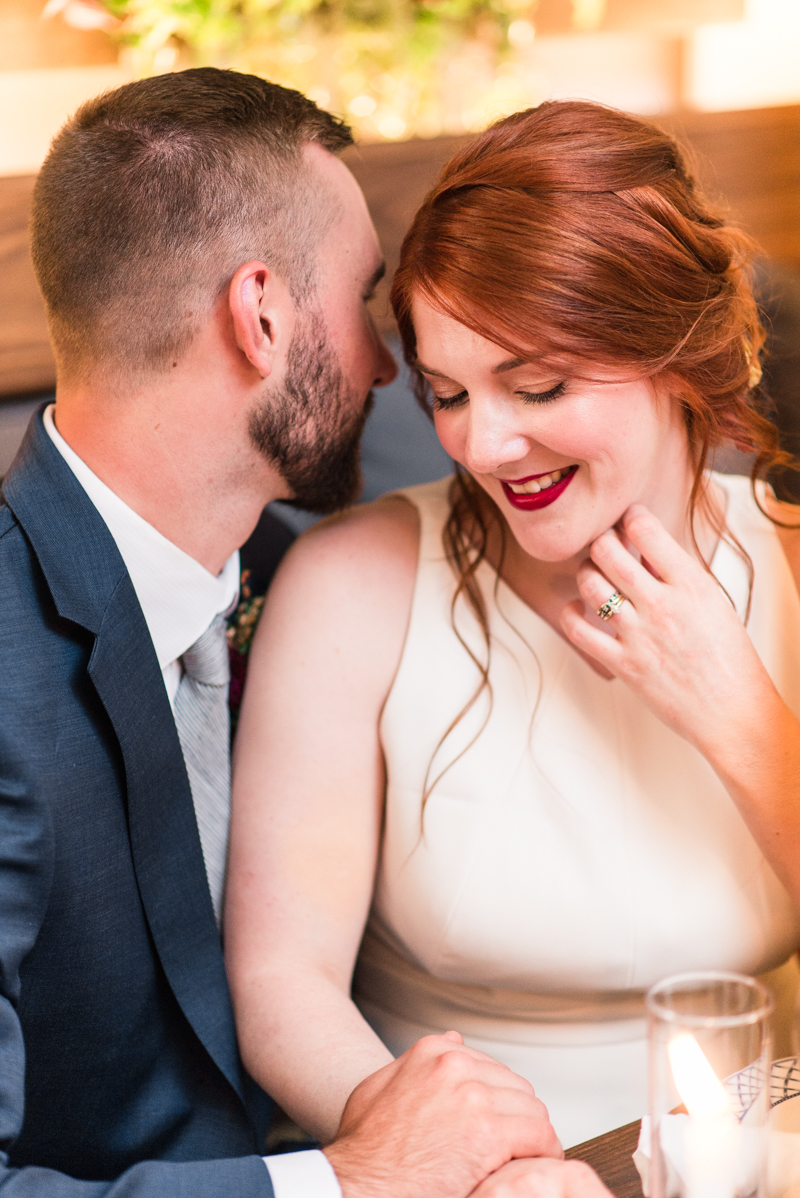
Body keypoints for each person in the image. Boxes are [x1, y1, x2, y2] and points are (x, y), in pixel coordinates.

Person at [0, 67, 612, 1198]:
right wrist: (351, 1180)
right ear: (264, 313)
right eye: (364, 300)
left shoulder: (303, 582)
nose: (390, 370)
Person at [226, 99, 800, 1152]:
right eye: (445, 394)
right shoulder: (351, 585)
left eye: (536, 385)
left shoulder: (793, 561)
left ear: (676, 351)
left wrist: (734, 711)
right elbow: (277, 980)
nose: (483, 445)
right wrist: (456, 1154)